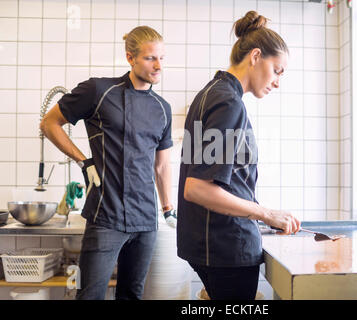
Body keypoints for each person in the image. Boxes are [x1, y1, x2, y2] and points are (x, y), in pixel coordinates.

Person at [40, 26, 177, 300]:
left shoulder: (162, 108)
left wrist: (168, 209)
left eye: (162, 57)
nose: (159, 65)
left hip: (146, 221)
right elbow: (49, 123)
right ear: (130, 57)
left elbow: (161, 166)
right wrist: (84, 161)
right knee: (90, 295)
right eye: (151, 58)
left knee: (131, 296)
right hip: (106, 217)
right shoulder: (99, 90)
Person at [177, 11, 301, 300]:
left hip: (208, 245)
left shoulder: (211, 93)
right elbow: (197, 188)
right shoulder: (228, 102)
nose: (278, 82)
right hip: (225, 247)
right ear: (256, 56)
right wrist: (267, 214)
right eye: (278, 70)